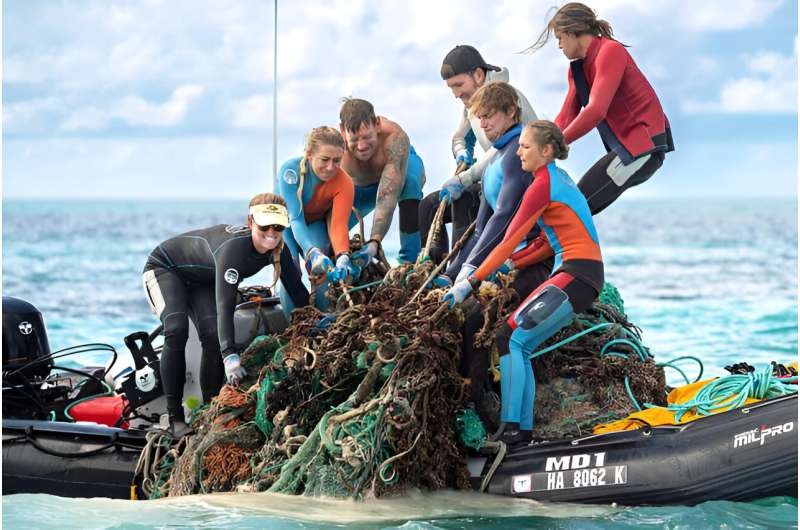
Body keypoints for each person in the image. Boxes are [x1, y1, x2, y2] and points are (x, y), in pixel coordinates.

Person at [444, 121, 604, 446]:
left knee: (509, 338)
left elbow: (506, 239)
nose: (518, 152)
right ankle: (522, 431)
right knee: (521, 344)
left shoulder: (541, 184)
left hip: (575, 274)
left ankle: (513, 430)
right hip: (582, 273)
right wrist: (511, 264)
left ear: (546, 151)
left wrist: (469, 282)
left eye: (525, 147)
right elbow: (545, 244)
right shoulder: (558, 178)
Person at [142, 193, 309, 436]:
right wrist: (230, 357)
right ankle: (175, 419)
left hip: (203, 279)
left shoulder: (278, 249)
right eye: (265, 225)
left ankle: (210, 409)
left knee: (211, 336)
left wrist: (317, 321)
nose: (271, 233)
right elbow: (225, 306)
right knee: (177, 329)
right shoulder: (234, 250)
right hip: (165, 268)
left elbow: (297, 291)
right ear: (250, 222)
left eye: (278, 226)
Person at [433, 81, 553, 412]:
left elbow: (505, 216)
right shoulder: (498, 156)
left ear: (511, 112)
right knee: (458, 316)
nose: (483, 124)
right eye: (479, 118)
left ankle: (479, 404)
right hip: (500, 262)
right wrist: (453, 273)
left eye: (489, 116)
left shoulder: (517, 155)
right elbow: (483, 226)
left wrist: (471, 271)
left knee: (475, 319)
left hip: (530, 263)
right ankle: (468, 395)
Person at [526, 2, 673, 215]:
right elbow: (566, 116)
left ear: (572, 31)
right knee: (573, 209)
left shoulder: (610, 51)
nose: (559, 45)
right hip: (628, 150)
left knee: (573, 210)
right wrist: (540, 144)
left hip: (642, 149)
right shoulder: (578, 69)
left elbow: (596, 111)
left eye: (559, 38)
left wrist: (554, 146)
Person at [418, 45, 538, 263]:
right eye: (450, 88)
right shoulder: (472, 104)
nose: (455, 94)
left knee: (463, 198)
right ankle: (433, 268)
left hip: (518, 184)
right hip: (491, 179)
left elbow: (505, 147)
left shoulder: (506, 98)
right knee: (428, 206)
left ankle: (459, 266)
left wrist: (465, 178)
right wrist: (462, 153)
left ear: (479, 75)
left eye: (458, 85)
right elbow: (459, 137)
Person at [277, 126, 359, 311]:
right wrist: (310, 252)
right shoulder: (290, 171)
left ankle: (324, 322)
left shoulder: (344, 182)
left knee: (323, 269)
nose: (331, 167)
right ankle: (294, 328)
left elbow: (338, 225)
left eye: (337, 160)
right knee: (291, 270)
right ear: (309, 154)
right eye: (324, 159)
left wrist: (343, 255)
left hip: (314, 224)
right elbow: (295, 219)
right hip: (285, 226)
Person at [338, 98, 426, 265]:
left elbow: (389, 193)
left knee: (410, 183)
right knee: (328, 237)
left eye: (366, 137)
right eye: (355, 140)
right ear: (342, 131)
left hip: (399, 176)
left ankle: (410, 262)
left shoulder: (394, 138)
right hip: (361, 189)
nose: (362, 146)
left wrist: (375, 241)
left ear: (377, 124)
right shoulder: (336, 149)